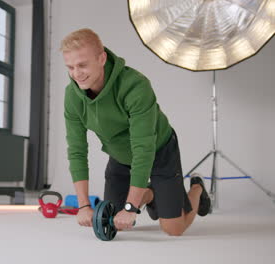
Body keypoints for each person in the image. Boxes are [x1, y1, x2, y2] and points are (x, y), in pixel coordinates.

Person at [62, 28, 211, 236]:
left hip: (159, 150)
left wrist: (131, 207)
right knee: (113, 219)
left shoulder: (135, 86)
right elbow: (77, 150)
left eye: (82, 65)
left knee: (173, 229)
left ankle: (197, 189)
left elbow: (143, 149)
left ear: (101, 58)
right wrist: (84, 206)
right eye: (70, 67)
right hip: (120, 156)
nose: (76, 73)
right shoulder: (72, 96)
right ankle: (151, 194)